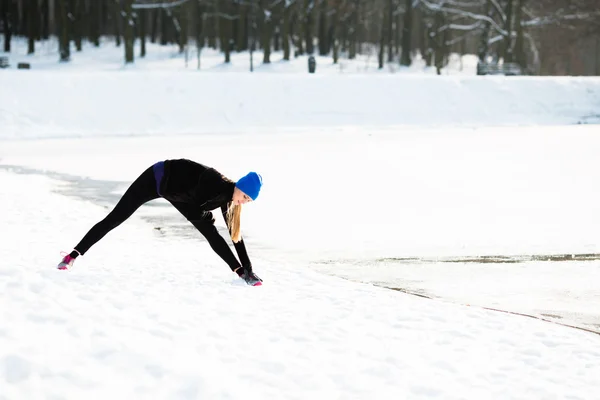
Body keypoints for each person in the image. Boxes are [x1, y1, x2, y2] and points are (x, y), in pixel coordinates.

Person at [56, 158, 264, 286]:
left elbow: (236, 237)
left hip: (179, 196)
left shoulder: (229, 202)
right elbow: (196, 206)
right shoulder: (215, 182)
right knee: (116, 217)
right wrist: (207, 217)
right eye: (245, 195)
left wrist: (248, 267)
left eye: (248, 200)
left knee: (211, 234)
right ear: (240, 185)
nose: (243, 201)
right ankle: (72, 255)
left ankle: (241, 273)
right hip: (158, 178)